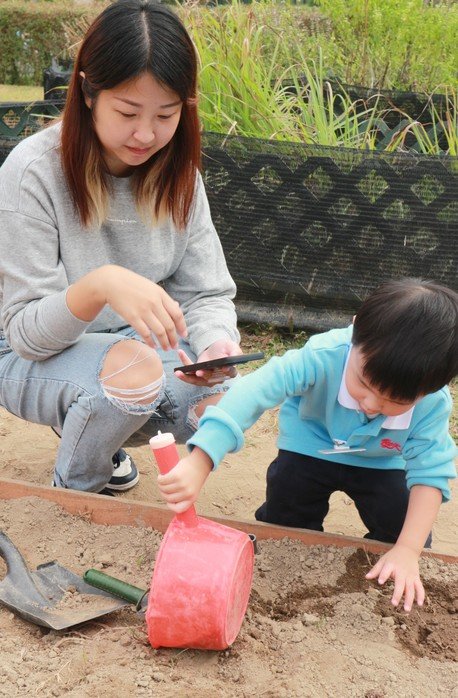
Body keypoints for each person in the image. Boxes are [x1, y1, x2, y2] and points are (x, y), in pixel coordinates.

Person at [0, 0, 242, 495]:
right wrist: (102, 285)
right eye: (128, 112)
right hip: (26, 353)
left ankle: (95, 417)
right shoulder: (33, 172)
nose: (146, 134)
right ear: (88, 92)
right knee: (132, 370)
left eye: (166, 114)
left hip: (130, 350)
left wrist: (215, 345)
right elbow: (25, 335)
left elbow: (207, 293)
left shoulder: (180, 177)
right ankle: (77, 490)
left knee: (221, 396)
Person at [157, 278, 458, 612]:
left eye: (396, 401)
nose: (372, 405)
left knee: (402, 526)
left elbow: (430, 473)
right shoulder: (322, 355)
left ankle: (389, 565)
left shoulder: (431, 402)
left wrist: (409, 550)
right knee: (288, 513)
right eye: (363, 383)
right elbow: (253, 392)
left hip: (383, 460)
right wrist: (200, 461)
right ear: (355, 330)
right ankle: (279, 546)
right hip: (310, 445)